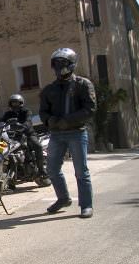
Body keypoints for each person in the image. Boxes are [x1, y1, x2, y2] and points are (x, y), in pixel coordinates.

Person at [38, 47, 97, 218]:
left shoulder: (83, 84)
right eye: (56, 63)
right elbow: (43, 111)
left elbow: (90, 109)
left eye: (62, 63)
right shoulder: (49, 89)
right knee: (52, 169)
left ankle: (86, 205)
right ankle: (63, 198)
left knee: (81, 171)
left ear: (71, 64)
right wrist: (50, 121)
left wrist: (68, 120)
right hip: (56, 134)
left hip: (76, 132)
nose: (59, 67)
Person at [0, 94, 50, 186]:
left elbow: (28, 121)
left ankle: (42, 171)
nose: (15, 104)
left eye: (16, 102)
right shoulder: (8, 114)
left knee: (37, 146)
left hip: (28, 134)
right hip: (14, 136)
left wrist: (23, 126)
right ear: (10, 104)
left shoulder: (26, 111)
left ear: (21, 103)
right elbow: (1, 122)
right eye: (13, 102)